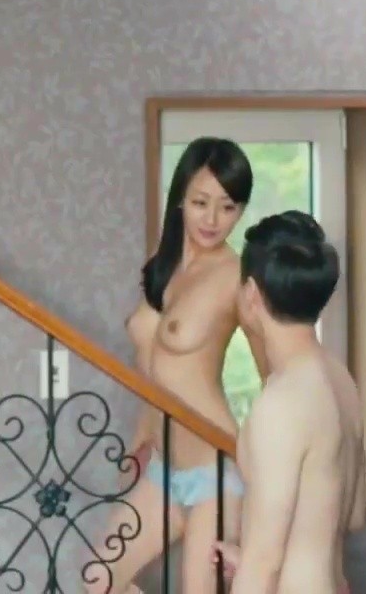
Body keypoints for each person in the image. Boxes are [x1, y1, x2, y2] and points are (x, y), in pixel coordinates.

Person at [85, 137, 260, 594]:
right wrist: (141, 437)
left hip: (215, 470)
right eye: (201, 202)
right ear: (180, 197)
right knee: (98, 579)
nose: (212, 219)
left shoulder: (237, 276)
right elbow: (153, 371)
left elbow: (275, 367)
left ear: (240, 211)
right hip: (164, 469)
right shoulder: (162, 269)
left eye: (227, 207)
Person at [210, 210, 366, 594]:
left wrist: (252, 565)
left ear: (250, 293)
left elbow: (264, 563)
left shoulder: (281, 404)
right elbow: (353, 516)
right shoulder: (339, 379)